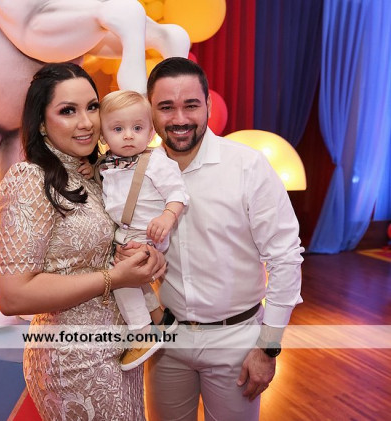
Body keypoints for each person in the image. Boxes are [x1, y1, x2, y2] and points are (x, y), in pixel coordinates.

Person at [128, 57, 304, 420]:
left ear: (208, 104)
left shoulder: (247, 166)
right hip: (167, 341)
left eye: (191, 105)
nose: (179, 118)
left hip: (236, 340)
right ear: (151, 110)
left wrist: (268, 348)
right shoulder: (138, 172)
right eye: (166, 107)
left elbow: (285, 258)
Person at [0, 62, 166, 421]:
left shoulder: (96, 172)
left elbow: (110, 244)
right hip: (73, 359)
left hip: (120, 349)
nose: (86, 122)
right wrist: (114, 278)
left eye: (92, 106)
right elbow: (12, 296)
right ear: (42, 123)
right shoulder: (30, 179)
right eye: (68, 111)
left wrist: (146, 256)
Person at [97, 90, 188, 370]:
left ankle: (141, 333)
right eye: (117, 129)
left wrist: (167, 216)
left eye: (137, 128)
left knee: (120, 278)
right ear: (102, 136)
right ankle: (161, 319)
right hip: (125, 232)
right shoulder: (106, 164)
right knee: (136, 279)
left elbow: (178, 192)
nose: (128, 136)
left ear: (150, 133)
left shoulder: (156, 161)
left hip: (148, 232)